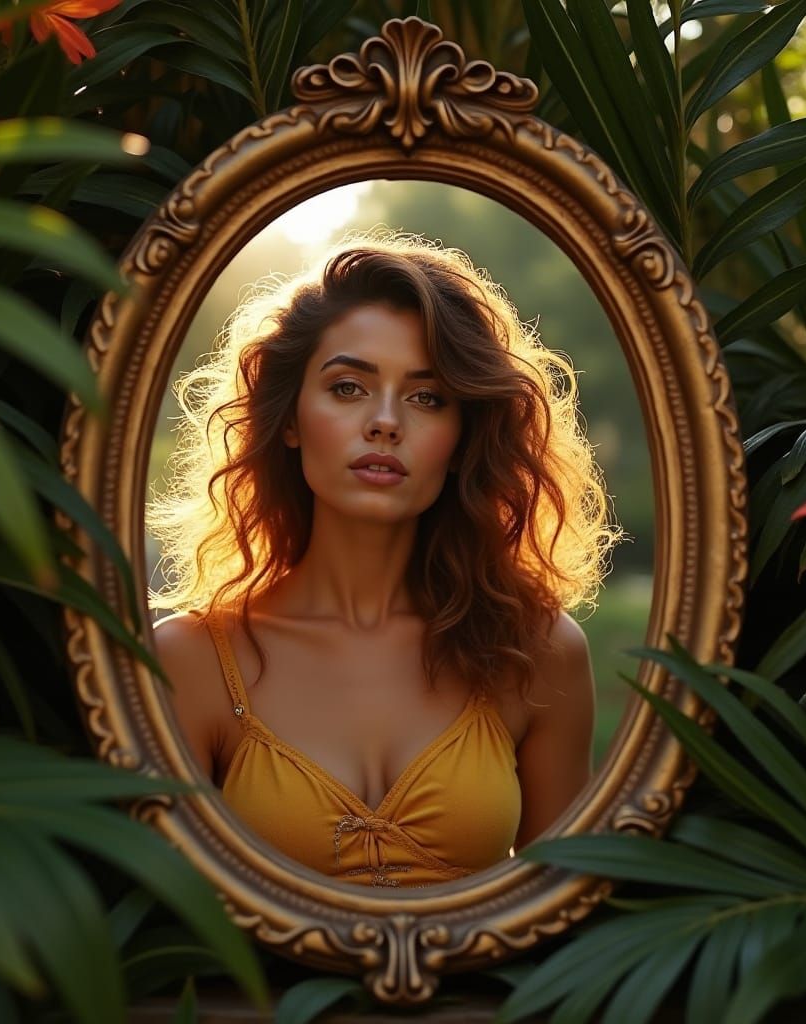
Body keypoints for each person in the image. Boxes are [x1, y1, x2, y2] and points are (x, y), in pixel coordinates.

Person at [149, 231, 619, 888]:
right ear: (288, 419)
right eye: (348, 388)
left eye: (427, 398)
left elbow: (570, 913)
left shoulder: (536, 652)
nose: (386, 422)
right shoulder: (193, 661)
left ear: (461, 439)